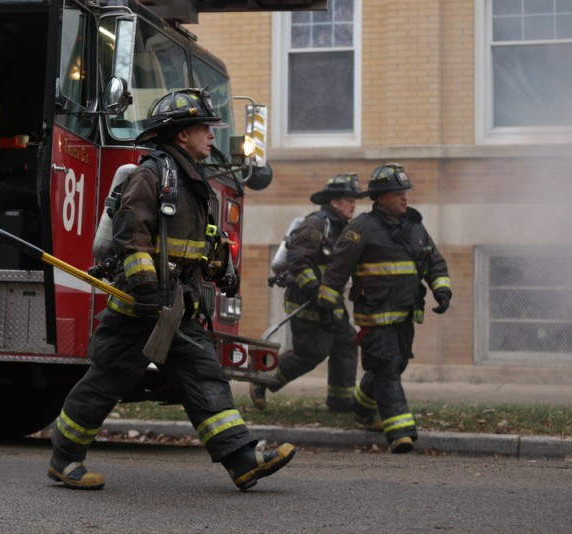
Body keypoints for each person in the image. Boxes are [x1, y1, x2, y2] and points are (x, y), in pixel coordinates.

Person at [48, 89, 295, 491]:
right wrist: (144, 287)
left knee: (203, 374)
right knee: (108, 379)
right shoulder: (152, 175)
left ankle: (241, 459)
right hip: (139, 308)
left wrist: (221, 271)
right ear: (182, 135)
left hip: (177, 307)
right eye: (204, 129)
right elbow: (131, 235)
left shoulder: (193, 183)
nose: (212, 137)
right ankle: (65, 458)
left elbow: (198, 244)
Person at [314, 163, 451, 454]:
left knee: (395, 363)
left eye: (405, 192)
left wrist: (442, 288)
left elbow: (433, 261)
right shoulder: (361, 227)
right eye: (397, 193)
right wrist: (326, 303)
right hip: (374, 317)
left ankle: (362, 406)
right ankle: (400, 431)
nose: (404, 198)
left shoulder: (414, 226)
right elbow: (338, 268)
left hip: (405, 313)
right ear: (380, 198)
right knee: (388, 368)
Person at [251, 174, 364, 412]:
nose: (353, 204)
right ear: (334, 202)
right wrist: (315, 292)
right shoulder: (316, 225)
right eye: (348, 199)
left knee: (345, 344)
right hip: (307, 300)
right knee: (311, 353)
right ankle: (261, 380)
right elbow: (299, 262)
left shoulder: (342, 228)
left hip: (331, 302)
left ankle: (340, 402)